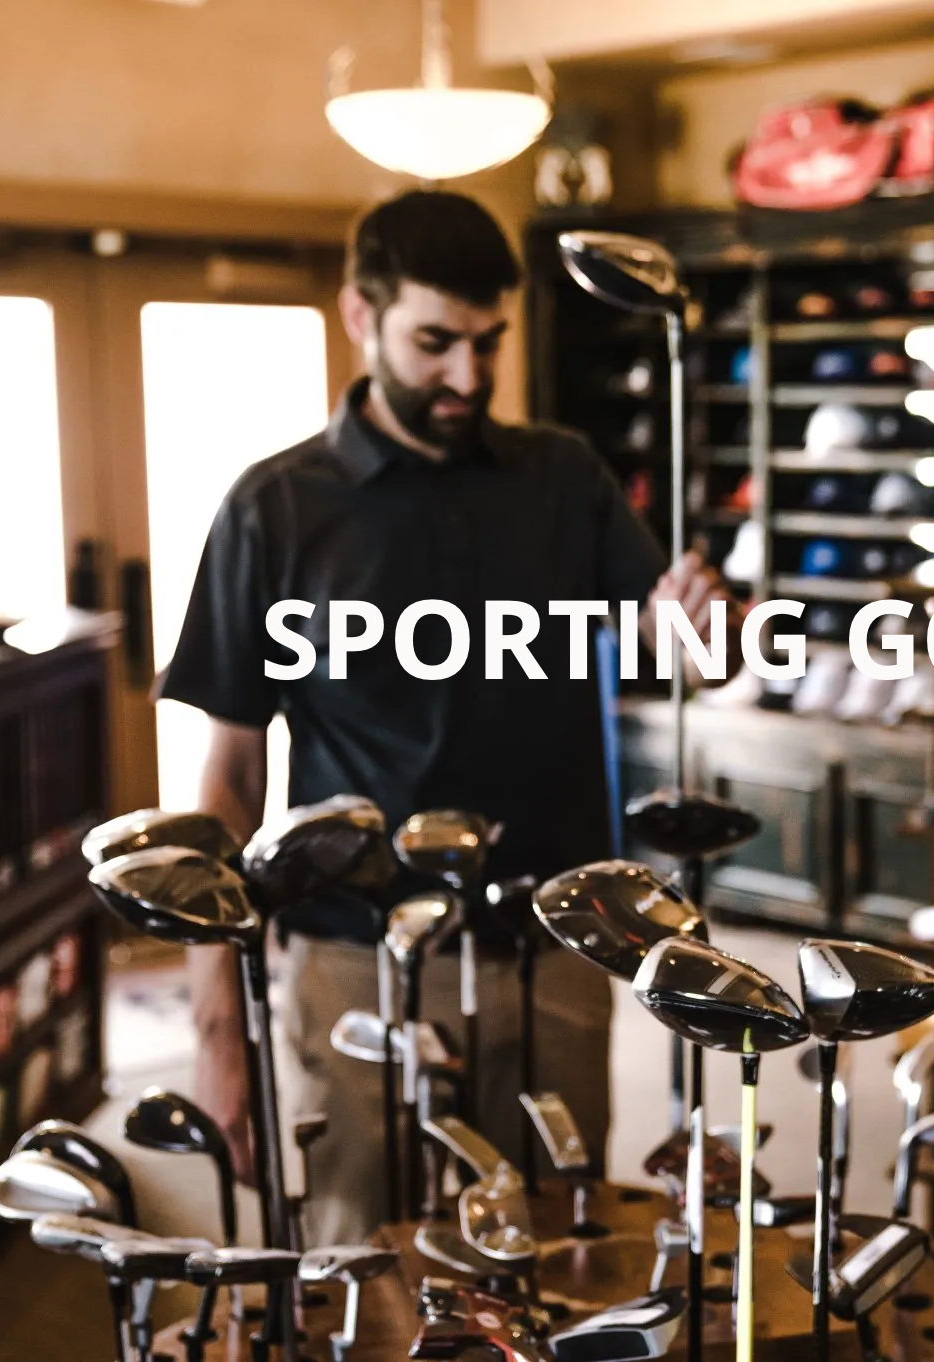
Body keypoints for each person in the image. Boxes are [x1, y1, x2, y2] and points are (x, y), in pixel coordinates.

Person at [160, 190, 740, 1243]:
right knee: (365, 1258)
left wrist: (699, 626)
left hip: (558, 942)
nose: (468, 377)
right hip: (355, 951)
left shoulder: (565, 475)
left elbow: (682, 647)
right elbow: (230, 783)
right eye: (435, 343)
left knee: (560, 1247)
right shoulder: (271, 509)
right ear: (359, 316)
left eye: (488, 344)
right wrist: (217, 1032)